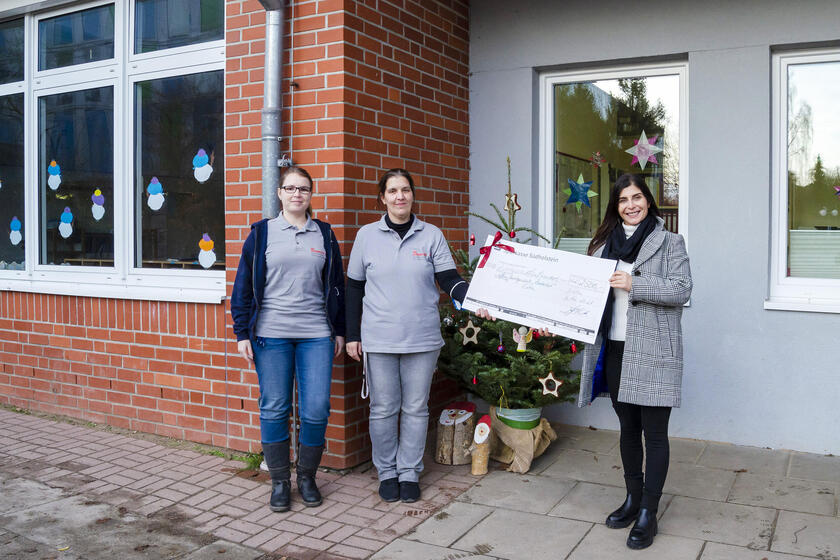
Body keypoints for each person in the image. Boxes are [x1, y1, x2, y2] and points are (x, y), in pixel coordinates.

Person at [577, 173, 692, 550]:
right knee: (628, 429)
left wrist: (634, 284)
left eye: (637, 197)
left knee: (654, 433)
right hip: (615, 349)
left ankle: (649, 513)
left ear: (648, 200)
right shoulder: (601, 247)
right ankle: (632, 499)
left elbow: (682, 289)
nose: (631, 205)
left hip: (654, 351)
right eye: (623, 199)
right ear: (616, 206)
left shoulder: (670, 241)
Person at [345, 168, 473, 504]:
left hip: (421, 338)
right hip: (379, 338)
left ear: (413, 195)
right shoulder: (366, 236)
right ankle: (387, 472)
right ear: (382, 198)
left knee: (416, 408)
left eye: (405, 190)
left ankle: (409, 472)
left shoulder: (431, 235)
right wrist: (352, 334)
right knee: (383, 408)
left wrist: (472, 297)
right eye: (392, 191)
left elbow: (449, 279)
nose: (399, 196)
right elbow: (354, 288)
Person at [230, 166, 345, 513]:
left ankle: (307, 477)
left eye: (304, 189)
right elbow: (243, 287)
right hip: (271, 335)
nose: (297, 194)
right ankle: (280, 481)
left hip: (316, 335)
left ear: (311, 194)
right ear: (279, 193)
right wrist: (241, 332)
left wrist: (340, 330)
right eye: (291, 188)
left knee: (316, 408)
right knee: (275, 406)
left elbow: (336, 287)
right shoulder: (262, 233)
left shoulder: (324, 235)